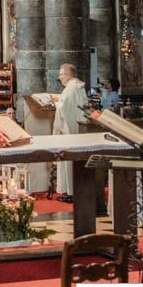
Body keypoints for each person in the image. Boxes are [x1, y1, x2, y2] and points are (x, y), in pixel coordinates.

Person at [53, 63, 88, 201]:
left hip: (68, 129)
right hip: (77, 127)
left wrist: (56, 104)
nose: (60, 77)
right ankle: (73, 191)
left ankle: (71, 192)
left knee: (68, 160)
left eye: (61, 75)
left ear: (67, 75)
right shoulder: (77, 86)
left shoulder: (70, 88)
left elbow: (63, 108)